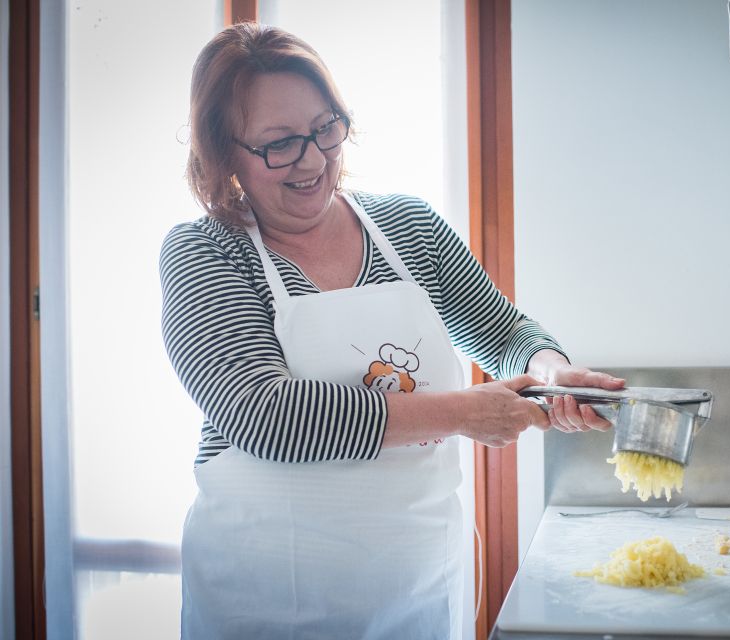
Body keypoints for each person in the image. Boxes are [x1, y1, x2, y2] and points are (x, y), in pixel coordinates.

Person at [160, 22, 625, 640]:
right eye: (279, 144)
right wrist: (463, 412)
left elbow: (501, 328)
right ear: (224, 153)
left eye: (326, 128)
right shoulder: (206, 251)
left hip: (416, 587)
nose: (315, 160)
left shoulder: (408, 226)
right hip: (264, 599)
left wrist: (549, 370)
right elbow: (263, 414)